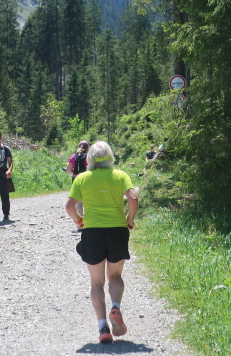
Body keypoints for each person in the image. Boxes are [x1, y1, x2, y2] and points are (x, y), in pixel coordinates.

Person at [65, 141, 139, 344]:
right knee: (115, 276)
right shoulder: (120, 175)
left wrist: (78, 221)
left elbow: (69, 206)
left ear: (89, 160)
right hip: (117, 230)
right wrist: (130, 219)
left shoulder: (82, 178)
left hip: (92, 232)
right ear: (111, 158)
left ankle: (103, 328)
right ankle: (115, 307)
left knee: (96, 282)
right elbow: (133, 197)